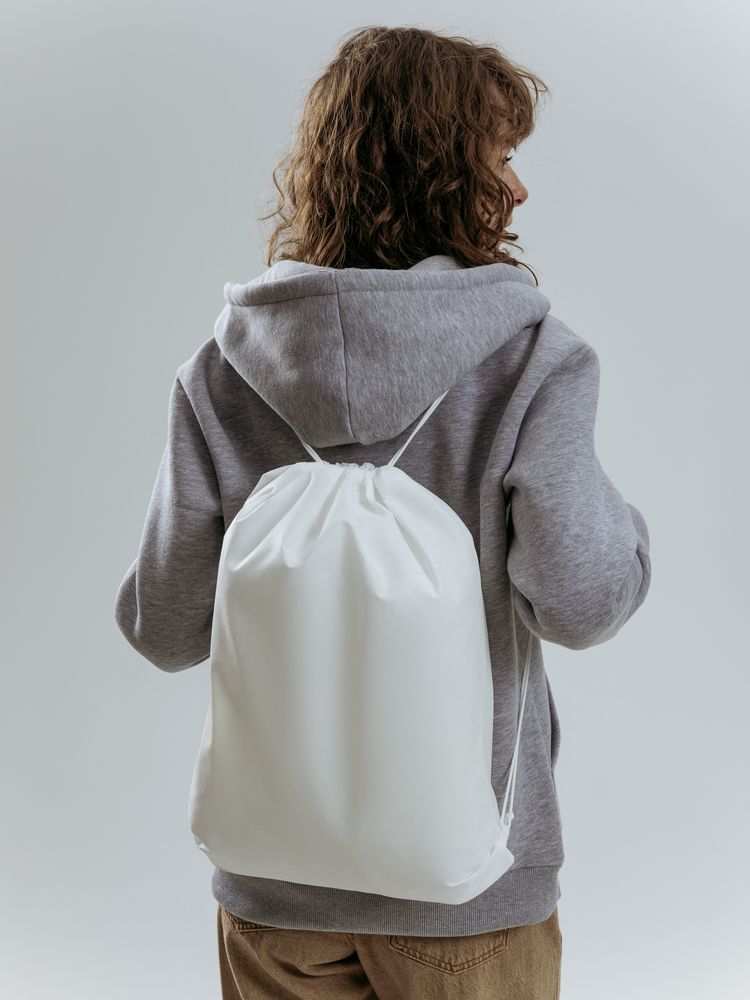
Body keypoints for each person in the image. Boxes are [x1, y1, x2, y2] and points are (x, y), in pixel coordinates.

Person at [114, 24, 651, 1000]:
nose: (518, 189)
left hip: (275, 895)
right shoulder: (534, 362)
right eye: (501, 157)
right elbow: (582, 602)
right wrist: (629, 540)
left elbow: (163, 627)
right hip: (469, 892)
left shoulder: (220, 371)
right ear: (445, 173)